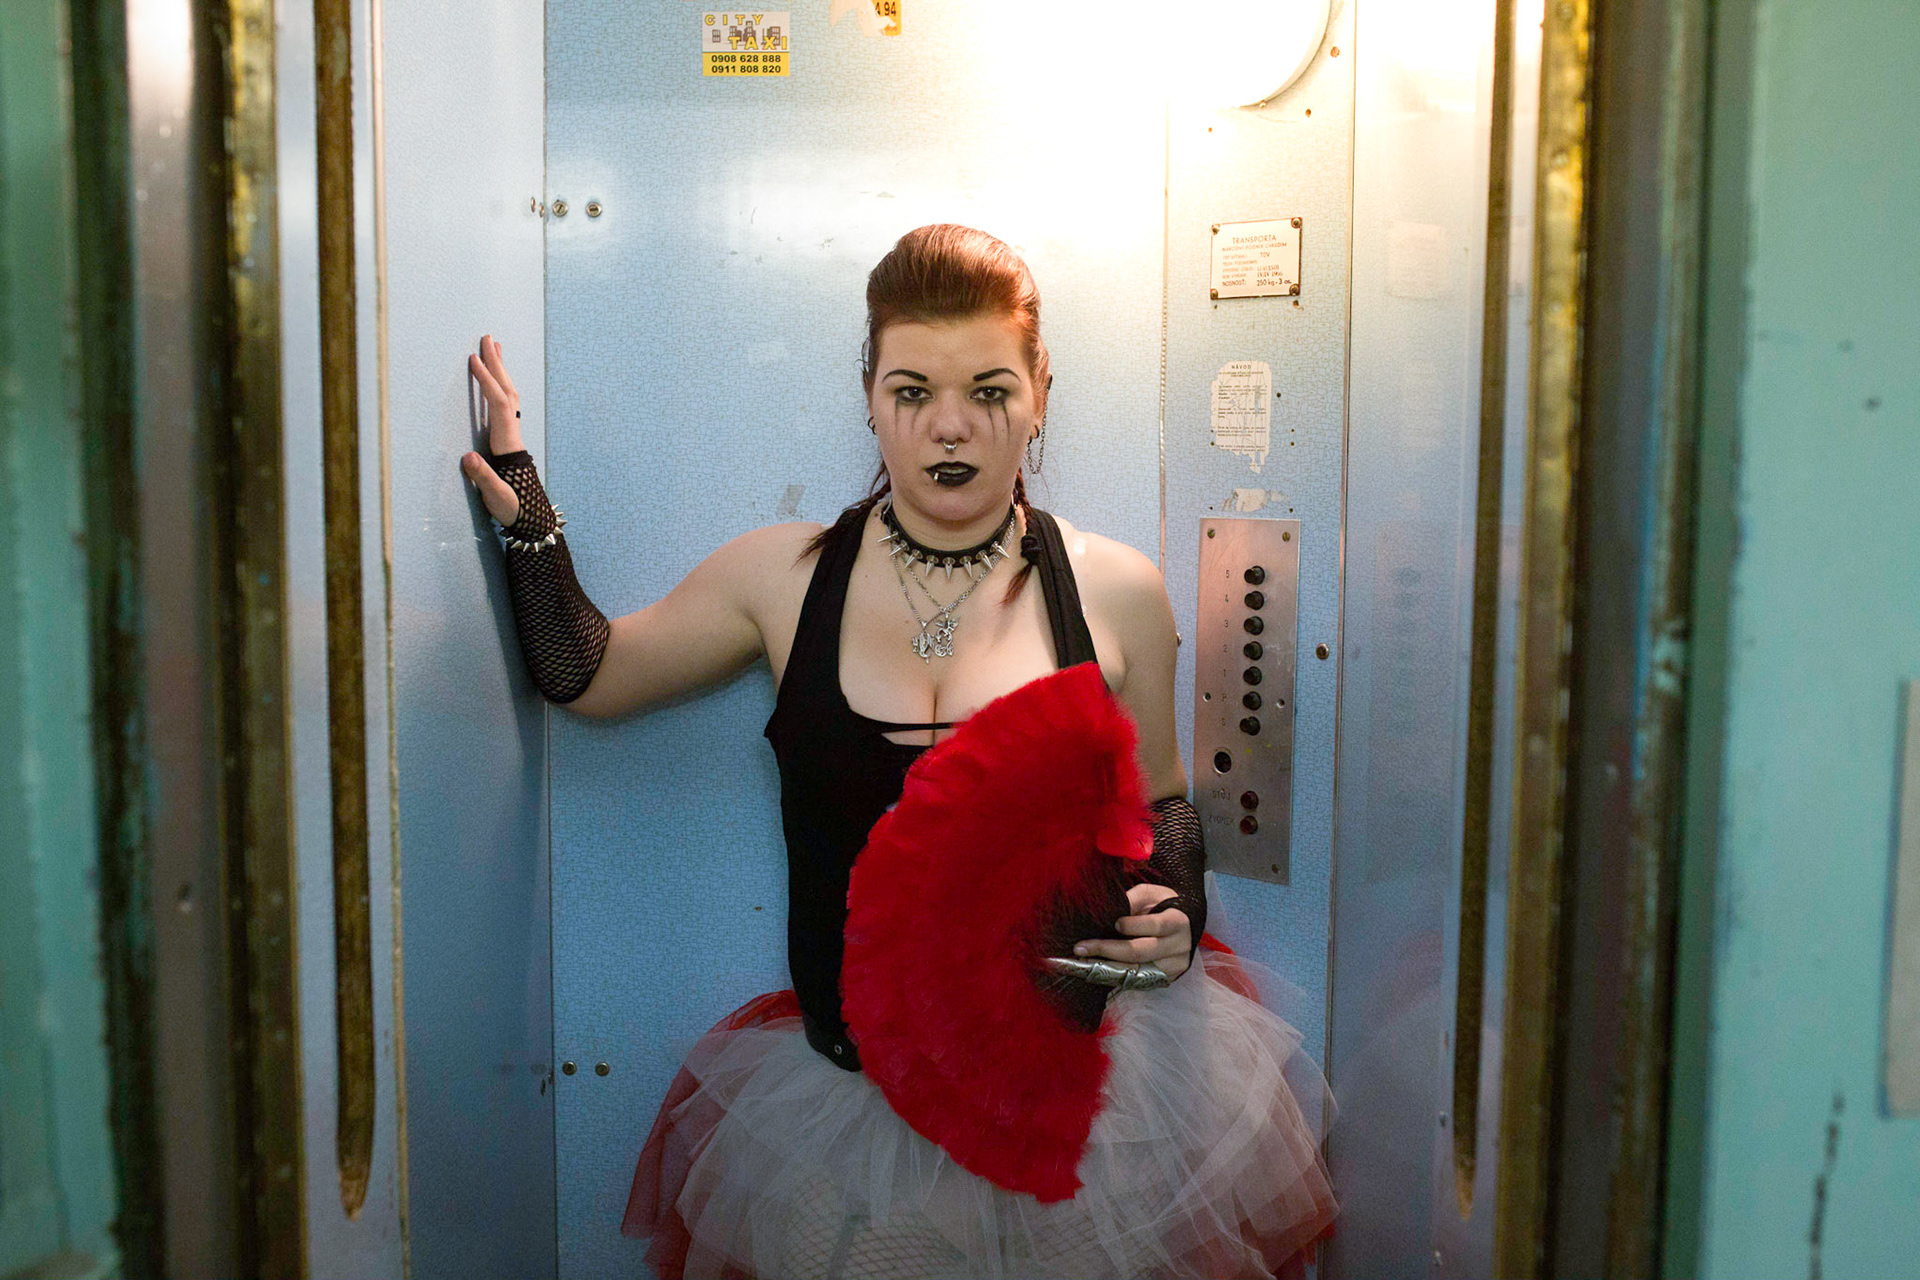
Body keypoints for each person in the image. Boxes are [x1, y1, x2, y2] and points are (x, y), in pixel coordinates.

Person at [461, 224, 1336, 1279]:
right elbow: (587, 673)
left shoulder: (1117, 590)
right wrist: (526, 508)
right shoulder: (780, 578)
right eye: (912, 391)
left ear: (1041, 393)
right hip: (845, 1112)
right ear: (870, 397)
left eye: (990, 391)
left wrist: (1175, 910)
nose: (950, 426)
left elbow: (1164, 806)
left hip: (1087, 1112)